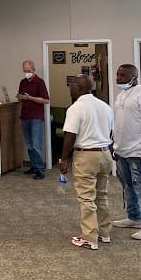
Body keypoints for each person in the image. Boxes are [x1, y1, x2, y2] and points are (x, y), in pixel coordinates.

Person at [59, 74, 114, 250]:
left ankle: (89, 237)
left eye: (72, 85)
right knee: (102, 194)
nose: (70, 88)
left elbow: (70, 136)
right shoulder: (105, 106)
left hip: (86, 156)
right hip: (105, 153)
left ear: (79, 88)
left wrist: (63, 159)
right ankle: (104, 233)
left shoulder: (76, 108)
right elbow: (111, 132)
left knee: (86, 197)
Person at [112, 63, 141, 240]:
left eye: (123, 75)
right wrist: (113, 142)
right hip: (121, 149)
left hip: (138, 151)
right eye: (118, 74)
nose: (118, 78)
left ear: (134, 77)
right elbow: (118, 121)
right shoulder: (121, 95)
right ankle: (134, 217)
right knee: (128, 186)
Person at [17, 60, 50, 179]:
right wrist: (20, 97)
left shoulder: (40, 82)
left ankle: (40, 170)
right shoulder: (23, 82)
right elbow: (20, 97)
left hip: (36, 117)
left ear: (33, 70)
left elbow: (46, 100)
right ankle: (34, 166)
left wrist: (30, 98)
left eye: (28, 71)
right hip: (25, 116)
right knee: (29, 144)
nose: (27, 73)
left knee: (36, 144)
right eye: (25, 71)